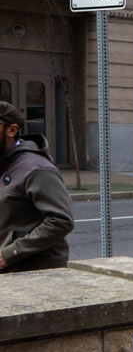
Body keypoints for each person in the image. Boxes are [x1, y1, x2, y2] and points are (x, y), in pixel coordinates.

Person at [0, 100, 74, 273]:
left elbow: (61, 220)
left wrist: (10, 253)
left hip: (32, 272)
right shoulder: (3, 163)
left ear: (12, 130)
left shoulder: (37, 169)